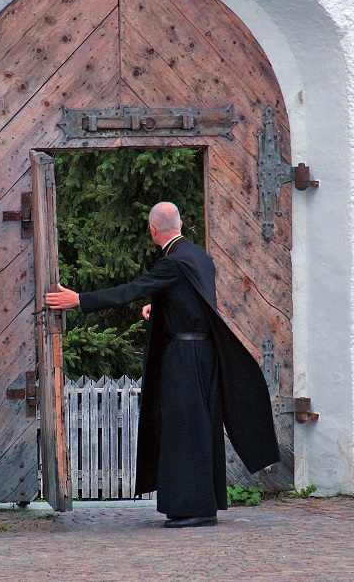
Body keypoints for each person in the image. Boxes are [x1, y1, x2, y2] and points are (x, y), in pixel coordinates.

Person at [46, 202, 279, 528]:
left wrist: (80, 301)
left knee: (184, 430)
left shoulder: (173, 262)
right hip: (201, 354)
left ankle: (197, 509)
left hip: (184, 360)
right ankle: (197, 504)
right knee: (195, 428)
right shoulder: (197, 256)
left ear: (152, 230)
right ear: (180, 223)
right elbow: (194, 301)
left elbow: (131, 290)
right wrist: (161, 311)